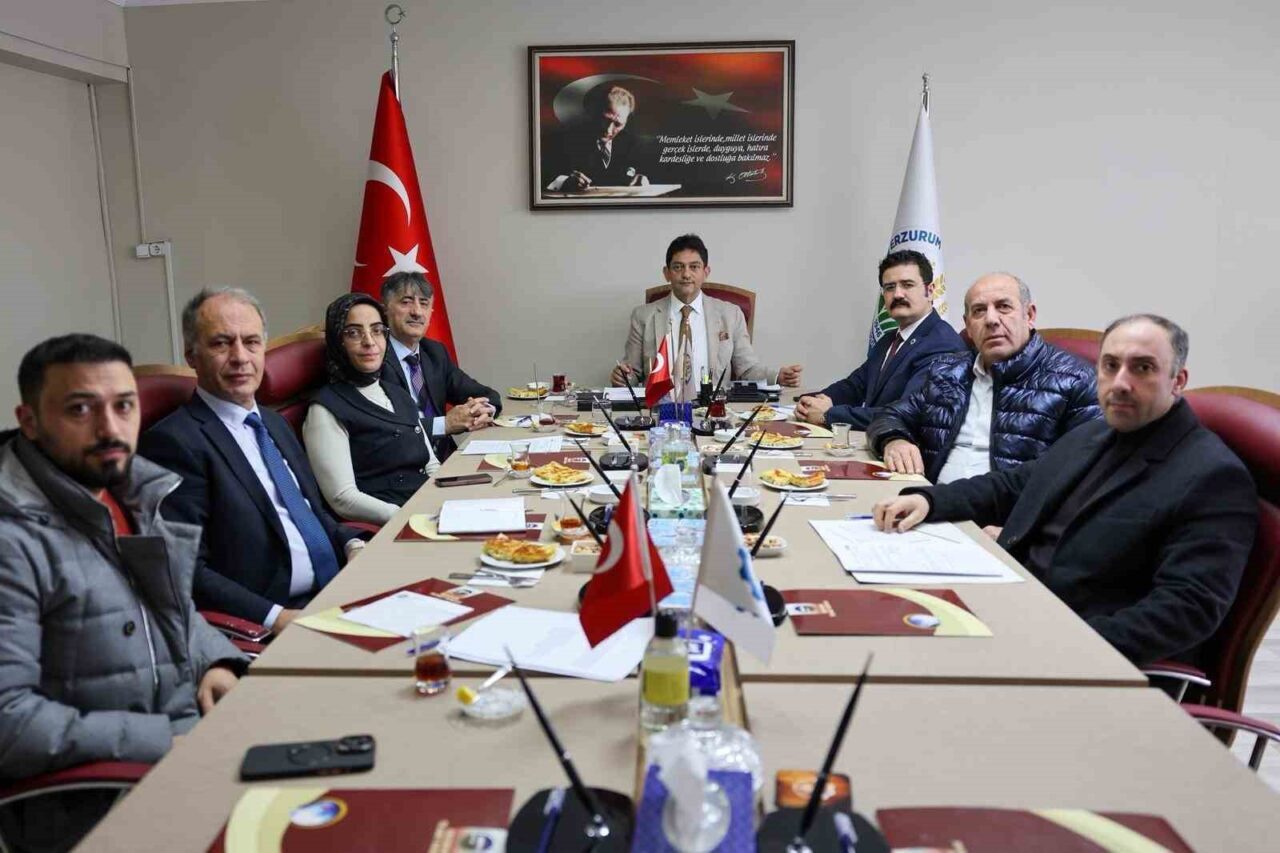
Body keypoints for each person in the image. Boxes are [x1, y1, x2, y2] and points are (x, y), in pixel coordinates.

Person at [872, 315, 1257, 666]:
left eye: (1143, 368)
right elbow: (1012, 485)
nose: (1121, 383)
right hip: (1016, 602)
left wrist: (1062, 643)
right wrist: (927, 499)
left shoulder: (1213, 476)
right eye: (1110, 366)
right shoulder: (1096, 434)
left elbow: (1187, 609)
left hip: (1076, 651)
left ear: (1178, 380)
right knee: (884, 623)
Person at [0, 335, 246, 852]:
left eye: (124, 406)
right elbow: (9, 721)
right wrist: (162, 739)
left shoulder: (129, 491)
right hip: (101, 802)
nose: (110, 429)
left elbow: (173, 609)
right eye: (80, 409)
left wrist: (216, 662)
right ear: (29, 421)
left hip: (191, 748)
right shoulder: (12, 541)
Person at [139, 288, 365, 632]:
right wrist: (277, 618)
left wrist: (352, 544)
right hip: (280, 618)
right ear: (191, 355)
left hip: (341, 589)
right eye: (221, 343)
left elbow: (311, 513)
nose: (240, 357)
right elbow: (187, 571)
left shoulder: (273, 423)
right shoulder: (173, 444)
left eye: (251, 342)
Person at [866, 273, 1099, 483]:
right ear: (968, 326)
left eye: (1004, 307)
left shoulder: (1076, 380)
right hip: (930, 503)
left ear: (1029, 315)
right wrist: (894, 440)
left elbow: (1085, 472)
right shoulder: (946, 372)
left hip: (1010, 514)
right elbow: (890, 415)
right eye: (979, 311)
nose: (991, 320)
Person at [304, 294, 439, 525]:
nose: (369, 341)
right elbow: (343, 498)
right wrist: (408, 518)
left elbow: (431, 464)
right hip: (393, 524)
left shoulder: (397, 392)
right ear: (338, 342)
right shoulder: (325, 409)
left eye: (377, 330)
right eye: (353, 333)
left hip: (427, 509)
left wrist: (448, 500)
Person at [612, 234, 803, 397]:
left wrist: (777, 376)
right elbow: (633, 372)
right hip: (662, 408)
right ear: (666, 273)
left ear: (706, 272)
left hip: (713, 408)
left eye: (694, 267)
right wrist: (623, 377)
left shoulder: (731, 314)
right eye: (678, 267)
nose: (686, 274)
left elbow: (747, 369)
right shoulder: (643, 316)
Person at [796, 249, 965, 429]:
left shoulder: (942, 344)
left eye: (907, 285)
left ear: (929, 291)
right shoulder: (889, 339)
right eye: (890, 287)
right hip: (875, 438)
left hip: (906, 444)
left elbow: (908, 413)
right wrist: (813, 402)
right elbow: (855, 386)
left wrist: (828, 415)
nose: (897, 294)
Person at [378, 271, 500, 461]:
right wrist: (445, 424)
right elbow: (387, 430)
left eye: (424, 303)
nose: (417, 312)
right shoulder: (374, 358)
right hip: (402, 465)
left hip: (447, 460)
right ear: (384, 309)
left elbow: (485, 394)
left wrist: (484, 409)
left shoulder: (434, 352)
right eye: (406, 302)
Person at [544, 85, 649, 192]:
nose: (608, 130)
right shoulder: (564, 140)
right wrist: (564, 182)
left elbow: (642, 172)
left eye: (618, 124)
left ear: (626, 122)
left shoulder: (633, 144)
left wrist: (642, 179)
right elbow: (544, 176)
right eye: (605, 120)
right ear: (594, 113)